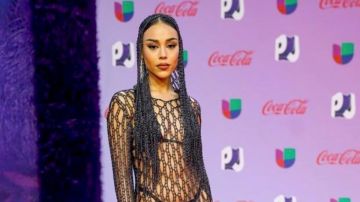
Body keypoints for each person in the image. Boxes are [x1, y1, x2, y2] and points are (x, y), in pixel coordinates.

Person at [107, 13, 212, 202]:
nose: (163, 54)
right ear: (140, 50)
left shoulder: (191, 106)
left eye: (171, 45)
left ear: (180, 49)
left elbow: (199, 171)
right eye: (153, 46)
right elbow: (122, 178)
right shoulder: (125, 104)